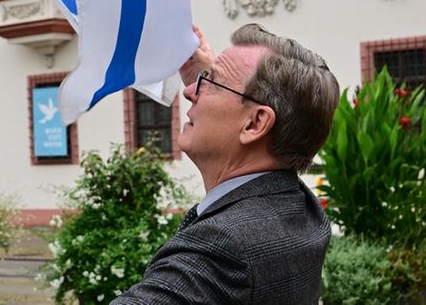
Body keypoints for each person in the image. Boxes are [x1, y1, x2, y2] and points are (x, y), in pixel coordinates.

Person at [113, 23, 340, 305]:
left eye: (212, 82)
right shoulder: (301, 207)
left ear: (256, 123)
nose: (189, 93)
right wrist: (215, 77)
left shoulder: (224, 246)